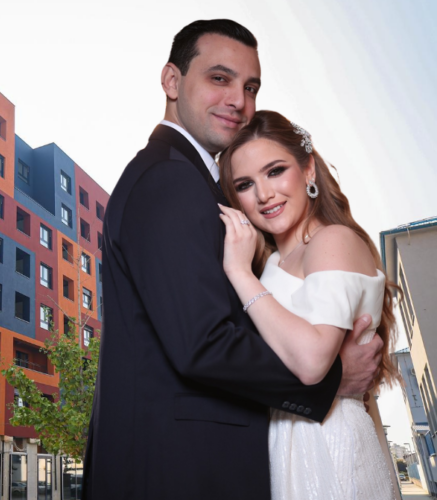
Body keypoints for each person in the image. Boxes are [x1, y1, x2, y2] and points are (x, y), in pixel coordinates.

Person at [82, 20, 382, 499]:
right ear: (172, 81)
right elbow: (202, 343)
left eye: (251, 87)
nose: (239, 101)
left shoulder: (193, 184)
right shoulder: (169, 179)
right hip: (177, 471)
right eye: (219, 78)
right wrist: (332, 379)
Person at [217, 110, 400, 499]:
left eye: (275, 171)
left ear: (308, 170)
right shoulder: (268, 265)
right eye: (245, 184)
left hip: (330, 447)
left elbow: (313, 361)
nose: (264, 194)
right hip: (281, 447)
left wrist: (239, 272)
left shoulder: (332, 240)